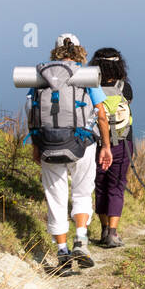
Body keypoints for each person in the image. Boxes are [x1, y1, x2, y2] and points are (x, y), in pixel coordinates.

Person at [30, 33, 111, 273]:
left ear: (55, 52)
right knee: (82, 192)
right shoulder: (84, 75)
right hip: (82, 144)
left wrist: (36, 145)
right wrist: (106, 146)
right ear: (79, 50)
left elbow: (31, 111)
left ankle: (62, 254)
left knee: (55, 197)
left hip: (47, 143)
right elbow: (102, 115)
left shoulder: (42, 76)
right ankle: (81, 241)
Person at [91, 47, 134, 249]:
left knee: (100, 186)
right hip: (124, 143)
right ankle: (113, 234)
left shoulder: (90, 87)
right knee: (117, 186)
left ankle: (104, 229)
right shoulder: (125, 88)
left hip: (96, 144)